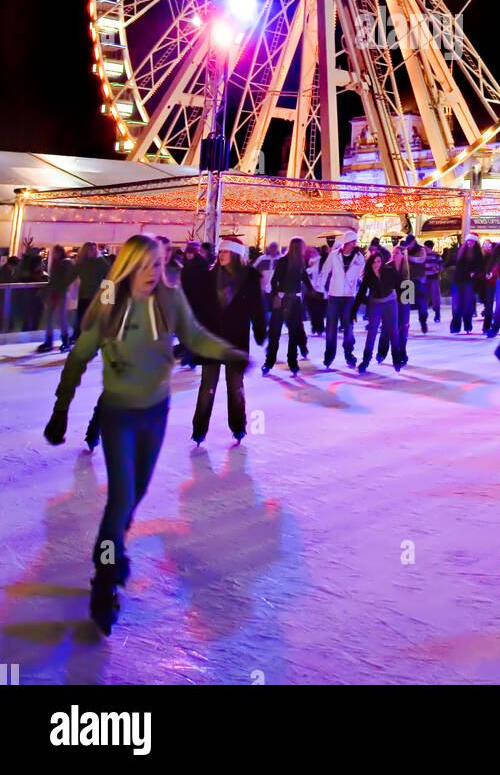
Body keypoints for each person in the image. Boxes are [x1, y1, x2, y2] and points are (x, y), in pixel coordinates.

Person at [43, 235, 245, 635]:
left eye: (160, 264)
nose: (155, 272)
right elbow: (80, 354)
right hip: (119, 415)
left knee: (133, 499)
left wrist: (228, 352)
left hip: (156, 413)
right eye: (148, 264)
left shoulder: (169, 299)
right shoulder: (108, 302)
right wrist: (61, 408)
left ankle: (112, 554)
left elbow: (195, 336)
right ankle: (104, 581)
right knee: (119, 501)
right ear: (131, 266)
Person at [190, 238, 265, 443]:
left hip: (235, 339)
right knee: (207, 386)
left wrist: (260, 331)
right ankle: (199, 429)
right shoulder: (209, 277)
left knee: (235, 386)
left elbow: (257, 307)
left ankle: (238, 426)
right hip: (211, 339)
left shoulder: (249, 278)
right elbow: (198, 307)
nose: (221, 255)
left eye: (226, 252)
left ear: (235, 255)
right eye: (220, 251)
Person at [315, 228, 365, 368]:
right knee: (331, 327)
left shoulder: (359, 258)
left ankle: (349, 354)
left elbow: (362, 276)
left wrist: (364, 290)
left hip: (349, 297)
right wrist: (320, 288)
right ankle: (329, 355)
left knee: (348, 327)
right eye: (352, 241)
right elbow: (325, 271)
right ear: (346, 242)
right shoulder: (334, 255)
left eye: (355, 241)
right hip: (334, 296)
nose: (354, 244)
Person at [352, 248, 405, 371]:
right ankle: (365, 361)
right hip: (376, 304)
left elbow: (400, 284)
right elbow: (361, 293)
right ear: (370, 263)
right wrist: (354, 310)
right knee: (372, 332)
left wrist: (407, 301)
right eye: (374, 262)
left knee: (393, 331)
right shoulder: (368, 276)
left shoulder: (389, 271)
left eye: (379, 261)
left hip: (390, 303)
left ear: (382, 262)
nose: (377, 265)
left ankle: (396, 360)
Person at [265, 237, 313, 373]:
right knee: (278, 333)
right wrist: (276, 295)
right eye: (303, 247)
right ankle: (273, 362)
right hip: (284, 299)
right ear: (299, 248)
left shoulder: (300, 263)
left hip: (293, 300)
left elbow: (305, 280)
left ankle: (290, 362)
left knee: (291, 333)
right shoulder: (284, 262)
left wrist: (313, 291)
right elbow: (275, 281)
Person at [36, 246, 78, 353]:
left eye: (55, 252)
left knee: (61, 318)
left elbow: (71, 276)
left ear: (60, 252)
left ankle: (65, 342)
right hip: (53, 293)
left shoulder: (66, 262)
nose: (53, 254)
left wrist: (64, 286)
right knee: (49, 318)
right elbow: (53, 280)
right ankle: (49, 342)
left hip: (61, 293)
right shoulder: (55, 263)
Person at [72, 243, 111, 342]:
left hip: (94, 295)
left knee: (90, 319)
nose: (94, 251)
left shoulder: (100, 262)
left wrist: (106, 297)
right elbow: (72, 275)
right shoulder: (81, 263)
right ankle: (79, 336)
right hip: (83, 294)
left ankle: (88, 339)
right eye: (91, 249)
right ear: (85, 251)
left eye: (95, 249)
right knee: (82, 316)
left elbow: (109, 277)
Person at [450, 235, 483, 334]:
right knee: (456, 305)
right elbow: (454, 262)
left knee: (467, 305)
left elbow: (480, 266)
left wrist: (474, 272)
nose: (469, 243)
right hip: (457, 280)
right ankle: (455, 326)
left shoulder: (477, 254)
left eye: (472, 242)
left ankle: (467, 325)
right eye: (468, 241)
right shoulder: (461, 252)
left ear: (475, 243)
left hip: (468, 281)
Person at [405, 235, 429, 333]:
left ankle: (423, 322)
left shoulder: (421, 249)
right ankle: (403, 324)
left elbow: (422, 259)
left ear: (414, 242)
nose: (409, 246)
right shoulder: (405, 249)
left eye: (410, 244)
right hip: (408, 279)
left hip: (419, 279)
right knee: (405, 303)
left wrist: (411, 258)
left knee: (421, 302)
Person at [423, 240, 442, 322]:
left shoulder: (436, 255)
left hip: (434, 277)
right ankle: (424, 314)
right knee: (424, 296)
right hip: (425, 278)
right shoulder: (423, 256)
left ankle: (437, 313)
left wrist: (437, 269)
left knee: (435, 296)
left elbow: (441, 265)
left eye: (425, 247)